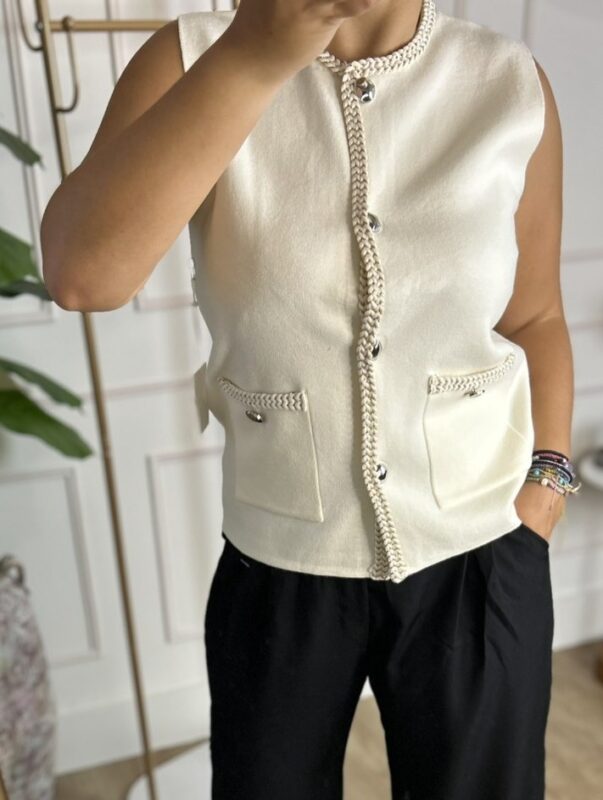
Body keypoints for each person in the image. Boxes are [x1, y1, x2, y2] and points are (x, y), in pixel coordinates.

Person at [40, 1, 579, 798]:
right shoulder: (192, 57)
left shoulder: (506, 82)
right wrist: (255, 55)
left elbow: (534, 316)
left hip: (483, 548)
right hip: (278, 557)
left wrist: (547, 483)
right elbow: (83, 276)